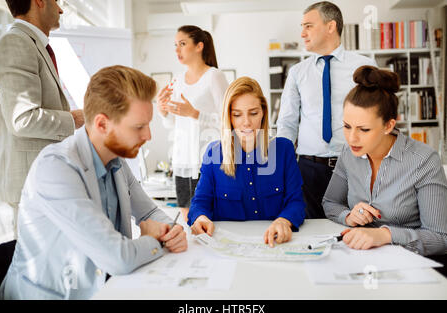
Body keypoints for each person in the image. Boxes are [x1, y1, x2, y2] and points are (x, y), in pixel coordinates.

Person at [0, 65, 188, 300]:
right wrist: (154, 240)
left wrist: (172, 230)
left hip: (105, 289)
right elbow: (118, 258)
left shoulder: (116, 160)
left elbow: (148, 211)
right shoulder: (56, 167)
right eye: (139, 126)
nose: (148, 136)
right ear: (102, 124)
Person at [323, 65, 447, 256]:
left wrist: (385, 234)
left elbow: (440, 238)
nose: (352, 138)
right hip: (358, 256)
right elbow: (330, 202)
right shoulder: (349, 154)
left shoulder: (424, 161)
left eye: (364, 129)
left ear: (389, 125)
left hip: (408, 264)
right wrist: (348, 216)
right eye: (347, 126)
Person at [276, 1, 376, 219]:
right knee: (310, 230)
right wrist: (284, 166)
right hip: (308, 170)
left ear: (331, 27)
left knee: (355, 228)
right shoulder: (297, 72)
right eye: (302, 27)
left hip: (354, 166)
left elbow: (377, 118)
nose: (302, 33)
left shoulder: (365, 67)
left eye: (308, 26)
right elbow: (287, 124)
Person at [0, 0, 84, 235]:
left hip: (43, 184)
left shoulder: (32, 43)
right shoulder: (16, 42)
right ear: (39, 2)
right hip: (30, 188)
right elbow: (22, 119)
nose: (62, 9)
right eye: (57, 1)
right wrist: (75, 118)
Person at [187, 77, 306, 247]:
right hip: (227, 247)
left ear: (263, 112)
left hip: (274, 244)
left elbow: (296, 201)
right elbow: (199, 202)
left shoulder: (283, 149)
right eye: (237, 115)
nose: (246, 122)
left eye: (253, 113)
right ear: (229, 117)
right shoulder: (213, 153)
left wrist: (284, 220)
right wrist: (201, 217)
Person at [156, 25, 229, 222]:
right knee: (187, 218)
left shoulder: (214, 76)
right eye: (175, 45)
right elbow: (172, 124)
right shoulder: (178, 80)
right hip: (181, 161)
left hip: (206, 159)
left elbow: (229, 120)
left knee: (207, 218)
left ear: (199, 46)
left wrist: (195, 114)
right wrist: (163, 111)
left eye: (182, 44)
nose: (177, 50)